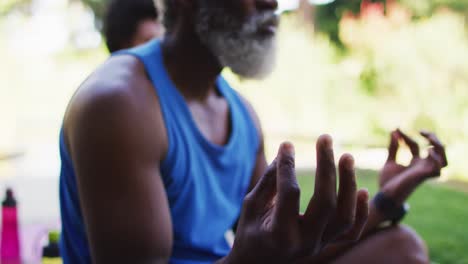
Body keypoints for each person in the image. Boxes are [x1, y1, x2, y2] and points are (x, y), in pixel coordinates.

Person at [58, 0, 448, 263]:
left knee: (401, 248)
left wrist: (388, 197)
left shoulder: (241, 113)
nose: (272, 3)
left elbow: (288, 248)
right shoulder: (118, 103)